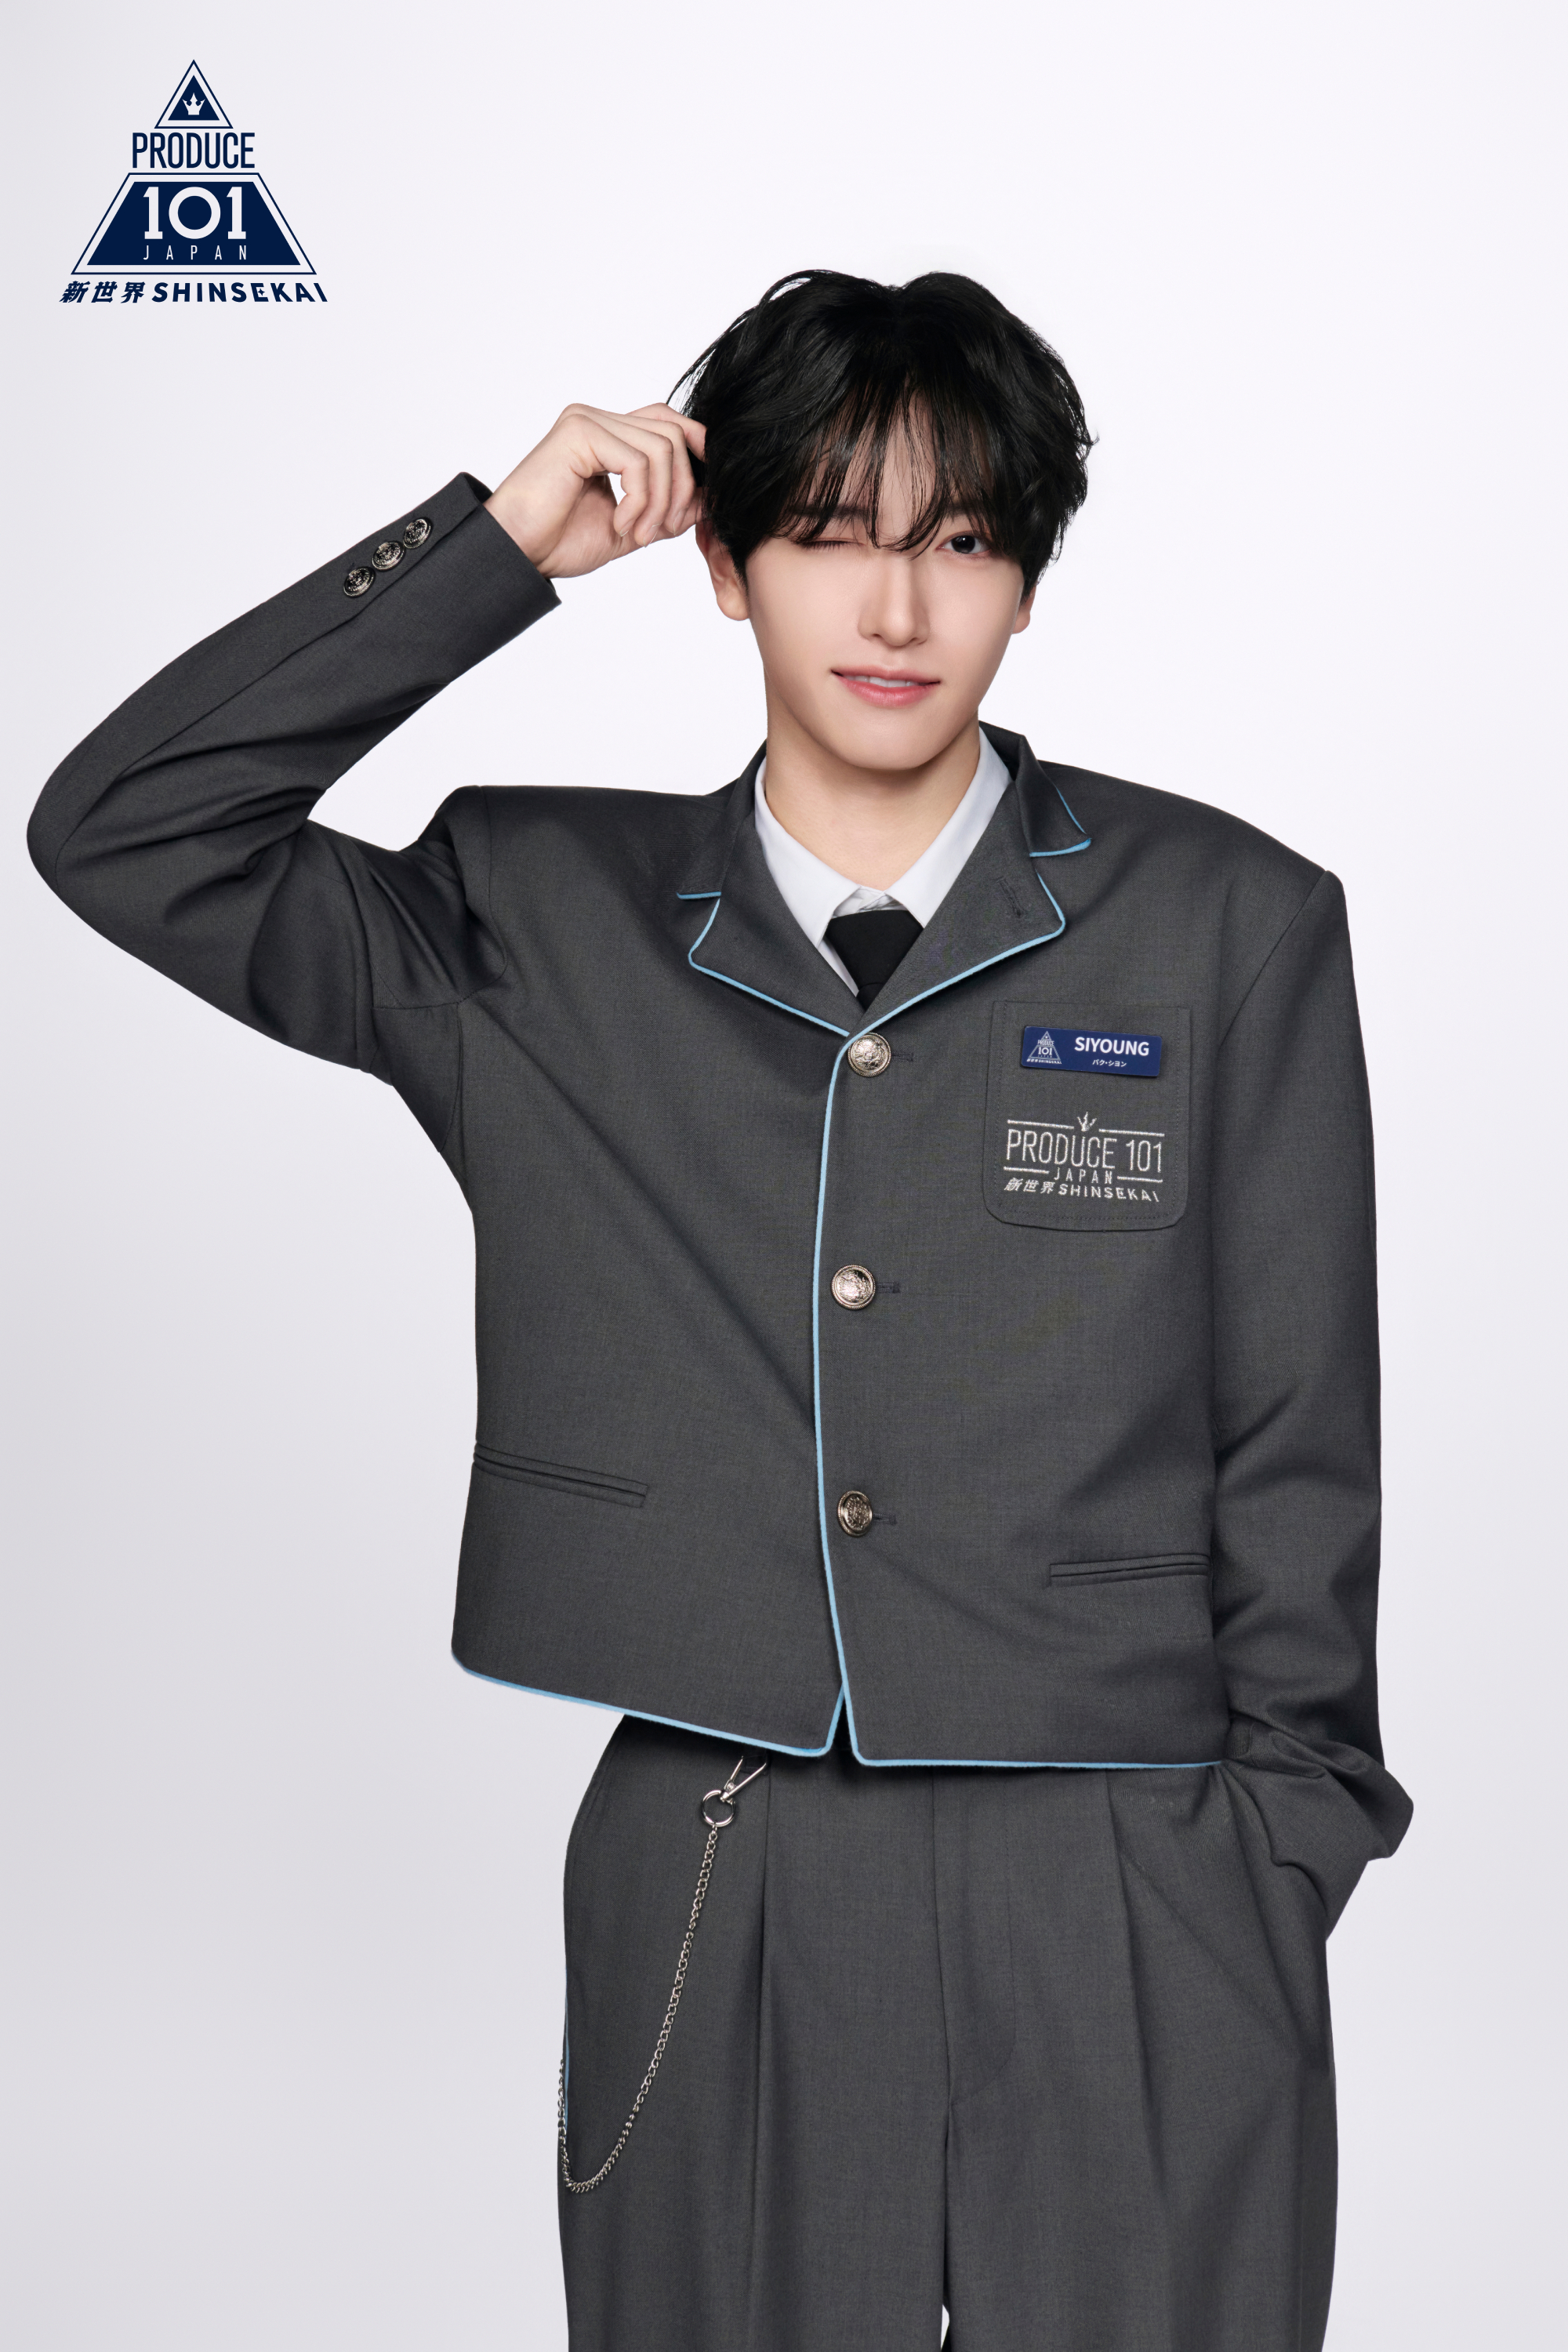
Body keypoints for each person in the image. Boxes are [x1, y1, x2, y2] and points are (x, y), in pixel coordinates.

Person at [28, 269, 1410, 2352]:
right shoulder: (532, 918)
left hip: (1137, 1860)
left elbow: (1300, 1422)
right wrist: (495, 552)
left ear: (1030, 582)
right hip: (721, 1853)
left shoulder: (1230, 924)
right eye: (832, 534)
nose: (896, 608)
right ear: (727, 566)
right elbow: (125, 830)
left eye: (963, 542)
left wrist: (1276, 1850)